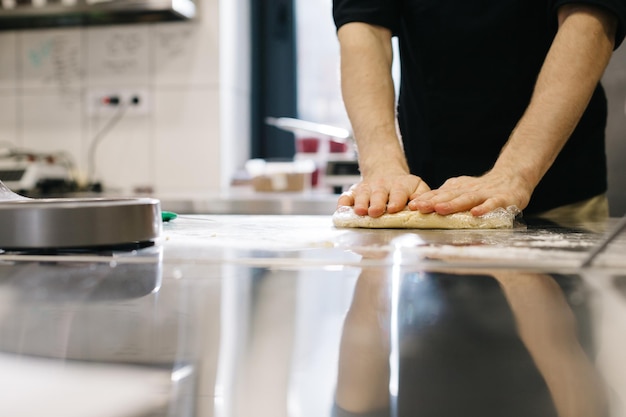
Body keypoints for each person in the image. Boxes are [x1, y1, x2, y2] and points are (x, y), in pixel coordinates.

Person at [332, 1, 626, 221]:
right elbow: (363, 24)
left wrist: (516, 173)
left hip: (560, 189)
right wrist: (382, 167)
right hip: (425, 197)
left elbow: (589, 20)